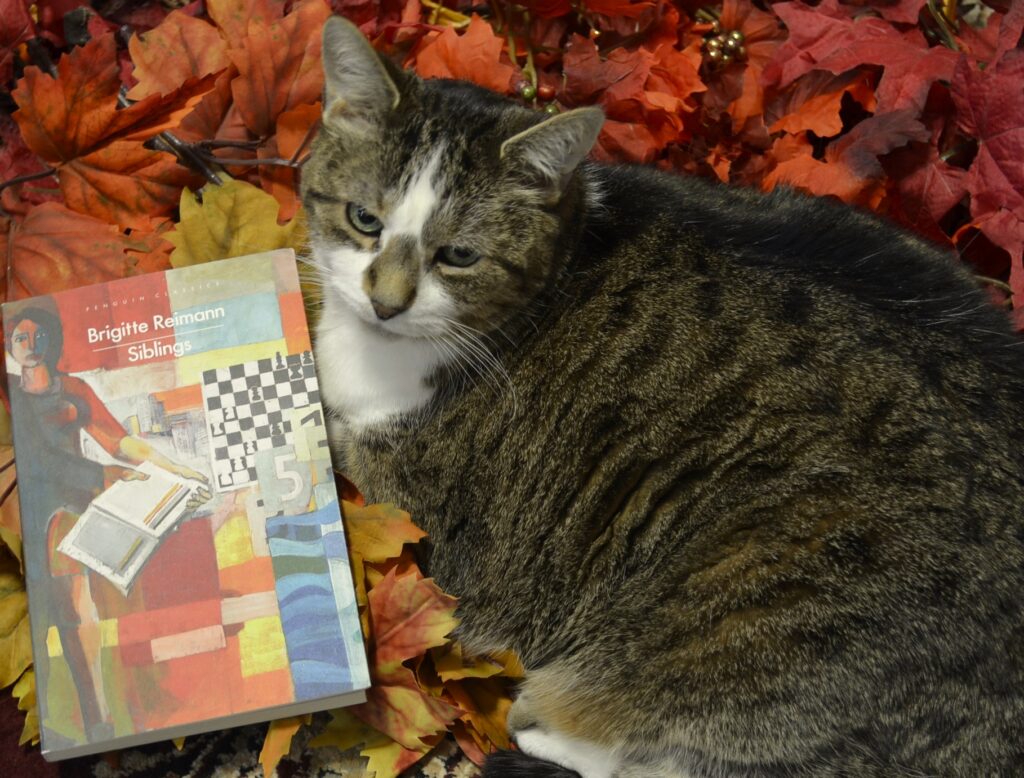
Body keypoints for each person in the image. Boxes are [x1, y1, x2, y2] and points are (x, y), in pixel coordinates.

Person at [5, 305, 210, 743]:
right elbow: (37, 458)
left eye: (39, 337)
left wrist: (175, 468)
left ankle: (99, 722)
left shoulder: (74, 389)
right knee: (41, 619)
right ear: (9, 345)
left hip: (74, 510)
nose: (31, 346)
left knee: (79, 610)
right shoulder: (11, 396)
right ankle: (73, 722)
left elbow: (119, 441)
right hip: (27, 510)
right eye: (21, 338)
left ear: (54, 340)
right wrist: (100, 476)